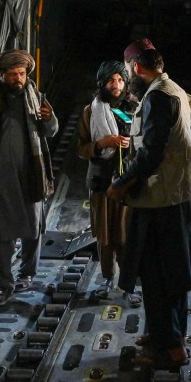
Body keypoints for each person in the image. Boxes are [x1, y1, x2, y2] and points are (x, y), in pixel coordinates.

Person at [107, 46, 191, 369]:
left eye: (126, 70)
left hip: (160, 202)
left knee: (157, 277)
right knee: (174, 277)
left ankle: (169, 349)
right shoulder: (172, 89)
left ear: (136, 68)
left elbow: (151, 152)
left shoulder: (157, 98)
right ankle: (168, 334)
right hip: (179, 197)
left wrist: (121, 183)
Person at [0, 49, 58, 307]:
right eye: (12, 75)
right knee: (1, 233)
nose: (17, 79)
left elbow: (50, 131)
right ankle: (4, 285)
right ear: (2, 75)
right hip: (0, 179)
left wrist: (50, 118)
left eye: (21, 74)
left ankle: (27, 274)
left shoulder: (37, 97)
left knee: (33, 228)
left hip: (31, 175)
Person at [75, 60, 142, 306]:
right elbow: (81, 149)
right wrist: (103, 144)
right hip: (101, 182)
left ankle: (128, 285)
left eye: (120, 80)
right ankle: (106, 279)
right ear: (102, 83)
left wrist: (130, 146)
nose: (116, 85)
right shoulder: (91, 111)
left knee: (126, 236)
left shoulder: (136, 108)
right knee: (104, 235)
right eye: (111, 80)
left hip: (127, 183)